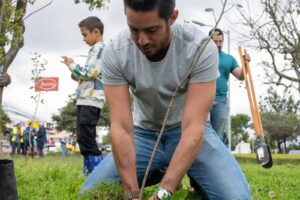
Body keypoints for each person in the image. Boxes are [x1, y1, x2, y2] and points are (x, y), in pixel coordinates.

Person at [80, 1, 252, 200]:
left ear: (172, 17)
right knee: (89, 194)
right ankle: (163, 169)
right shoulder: (116, 51)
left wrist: (164, 192)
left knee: (237, 197)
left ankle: (187, 173)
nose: (142, 40)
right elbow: (121, 128)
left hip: (188, 132)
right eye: (133, 29)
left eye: (151, 30)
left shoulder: (199, 47)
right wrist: (132, 193)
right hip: (143, 135)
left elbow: (194, 127)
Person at [61, 16, 105, 175]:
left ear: (96, 32)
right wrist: (72, 68)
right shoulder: (94, 50)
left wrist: (73, 65)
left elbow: (91, 73)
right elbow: (84, 75)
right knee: (82, 138)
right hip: (85, 99)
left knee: (87, 138)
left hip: (91, 100)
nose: (83, 39)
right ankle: (89, 172)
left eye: (85, 35)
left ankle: (100, 174)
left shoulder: (100, 49)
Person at [208, 28, 250, 143]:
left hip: (221, 101)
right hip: (203, 99)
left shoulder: (229, 59)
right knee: (202, 134)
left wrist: (245, 65)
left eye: (220, 41)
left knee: (217, 137)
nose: (218, 44)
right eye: (215, 41)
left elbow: (240, 76)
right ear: (209, 41)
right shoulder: (201, 56)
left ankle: (216, 160)